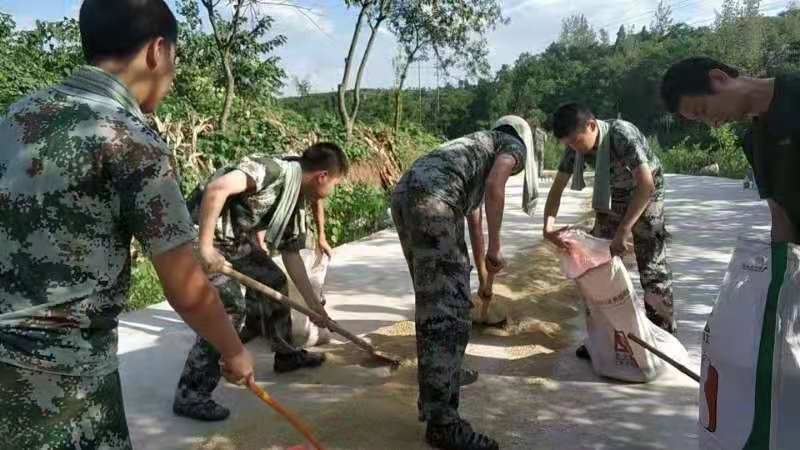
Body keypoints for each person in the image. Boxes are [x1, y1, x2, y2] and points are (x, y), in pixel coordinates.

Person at [0, 1, 253, 448]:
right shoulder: (129, 140)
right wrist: (232, 350)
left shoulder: (14, 118)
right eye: (175, 58)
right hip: (65, 387)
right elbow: (185, 288)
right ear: (157, 51)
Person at [391, 115, 538, 450]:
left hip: (405, 196)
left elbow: (474, 223)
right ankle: (443, 422)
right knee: (449, 314)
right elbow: (495, 186)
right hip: (433, 201)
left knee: (435, 303)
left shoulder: (471, 148)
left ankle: (441, 383)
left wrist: (485, 277)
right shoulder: (509, 144)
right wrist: (499, 247)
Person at [173, 143, 348, 421]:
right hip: (197, 234)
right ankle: (191, 394)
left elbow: (291, 256)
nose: (333, 191)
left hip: (232, 239)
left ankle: (286, 354)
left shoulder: (294, 199)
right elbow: (217, 189)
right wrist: (205, 247)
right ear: (323, 176)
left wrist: (316, 308)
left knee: (274, 281)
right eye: (337, 184)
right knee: (228, 308)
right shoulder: (272, 170)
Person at [543, 103, 676, 355]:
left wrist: (623, 231)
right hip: (613, 196)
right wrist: (548, 227)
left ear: (591, 125)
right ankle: (603, 337)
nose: (573, 148)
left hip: (647, 195)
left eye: (576, 141)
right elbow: (557, 187)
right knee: (596, 266)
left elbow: (646, 185)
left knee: (652, 268)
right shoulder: (576, 147)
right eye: (568, 144)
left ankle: (663, 339)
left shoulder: (621, 134)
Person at [660, 57, 800, 243]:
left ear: (718, 78)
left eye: (703, 110)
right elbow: (780, 217)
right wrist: (781, 269)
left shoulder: (795, 91)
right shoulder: (754, 142)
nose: (714, 124)